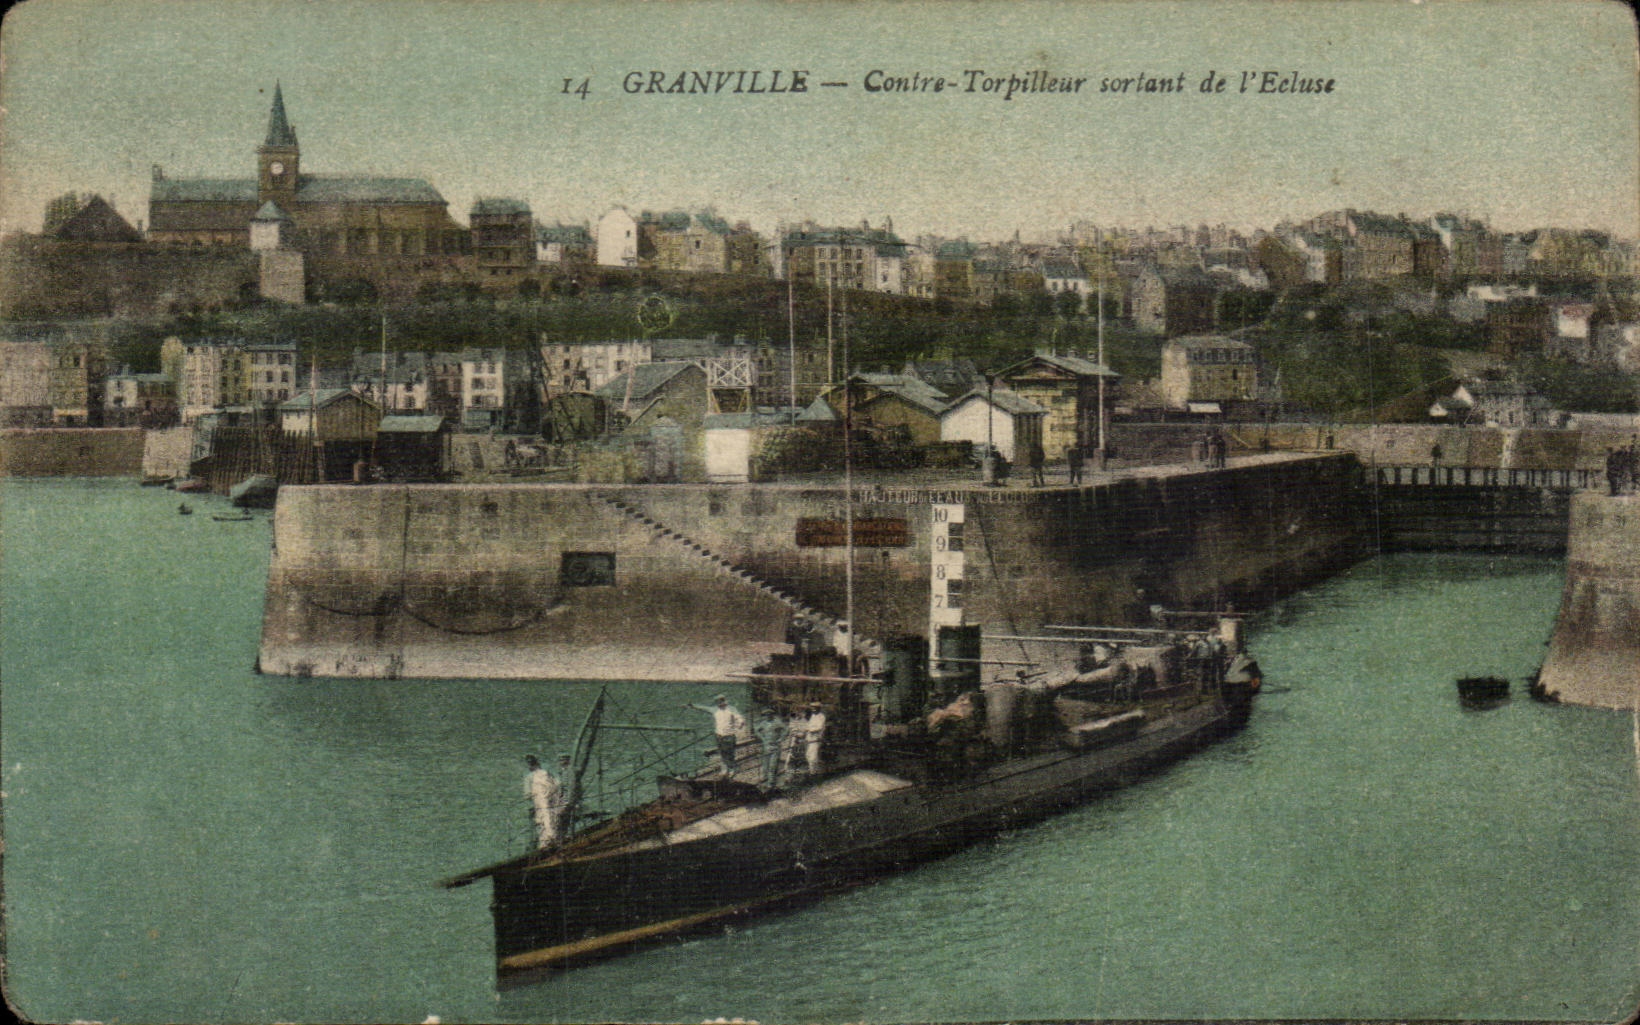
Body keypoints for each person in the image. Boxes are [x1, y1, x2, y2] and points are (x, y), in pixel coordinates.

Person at [688, 693, 746, 777]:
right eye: (717, 702)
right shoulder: (715, 710)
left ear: (724, 701)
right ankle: (725, 769)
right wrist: (693, 705)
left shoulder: (731, 709)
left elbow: (739, 718)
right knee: (722, 753)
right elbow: (704, 708)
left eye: (720, 702)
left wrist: (739, 725)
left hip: (729, 735)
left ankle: (732, 769)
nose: (719, 704)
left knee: (729, 754)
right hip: (719, 735)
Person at [523, 755, 563, 849]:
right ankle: (551, 840)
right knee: (549, 820)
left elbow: (528, 794)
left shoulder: (531, 777)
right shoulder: (546, 773)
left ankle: (547, 843)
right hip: (549, 801)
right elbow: (557, 785)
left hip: (542, 802)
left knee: (542, 821)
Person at [753, 707, 787, 789]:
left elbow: (786, 729)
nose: (767, 716)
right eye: (766, 715)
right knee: (765, 765)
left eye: (769, 714)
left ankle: (771, 784)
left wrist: (781, 739)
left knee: (773, 766)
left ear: (772, 715)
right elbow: (756, 730)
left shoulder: (777, 722)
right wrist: (762, 738)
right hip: (766, 746)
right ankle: (765, 781)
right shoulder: (763, 723)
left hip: (775, 746)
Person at [803, 702, 827, 776]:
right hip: (809, 738)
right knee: (807, 755)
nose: (813, 709)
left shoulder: (821, 716)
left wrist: (809, 729)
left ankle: (813, 773)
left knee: (813, 756)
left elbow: (819, 727)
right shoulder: (812, 716)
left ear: (819, 708)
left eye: (815, 708)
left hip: (816, 738)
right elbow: (808, 725)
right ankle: (813, 770)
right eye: (812, 707)